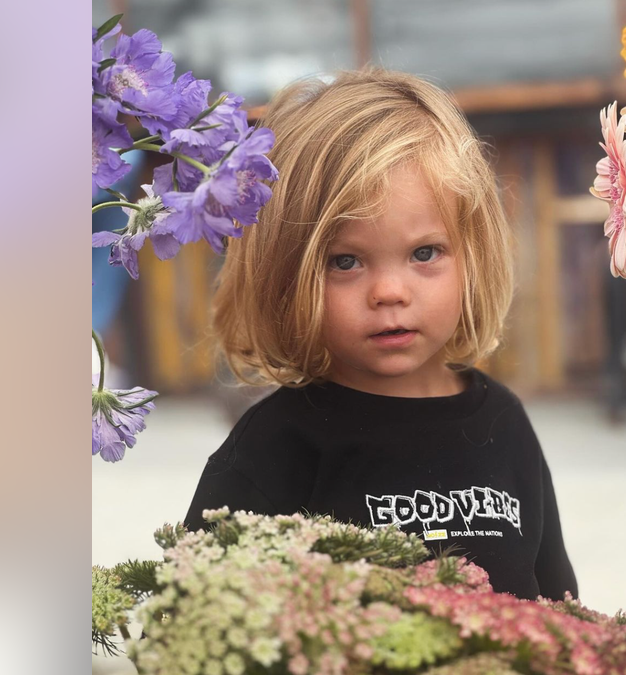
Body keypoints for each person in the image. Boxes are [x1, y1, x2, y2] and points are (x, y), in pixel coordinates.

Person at [183, 68, 577, 601]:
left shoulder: (503, 423)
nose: (389, 292)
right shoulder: (276, 447)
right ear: (284, 273)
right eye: (345, 261)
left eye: (424, 253)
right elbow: (195, 625)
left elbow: (560, 606)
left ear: (473, 254)